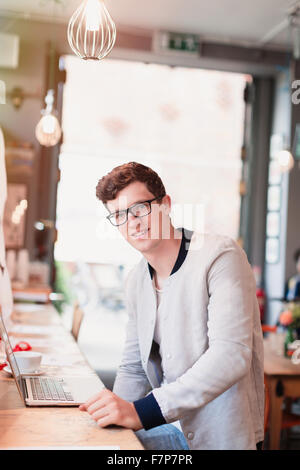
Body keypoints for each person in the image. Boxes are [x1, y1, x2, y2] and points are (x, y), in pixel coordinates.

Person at [79, 161, 264, 450]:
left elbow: (231, 354)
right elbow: (133, 369)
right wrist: (114, 425)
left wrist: (142, 411)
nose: (133, 223)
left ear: (165, 204)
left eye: (140, 208)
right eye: (119, 215)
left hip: (220, 436)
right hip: (169, 429)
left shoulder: (220, 255)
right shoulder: (135, 280)